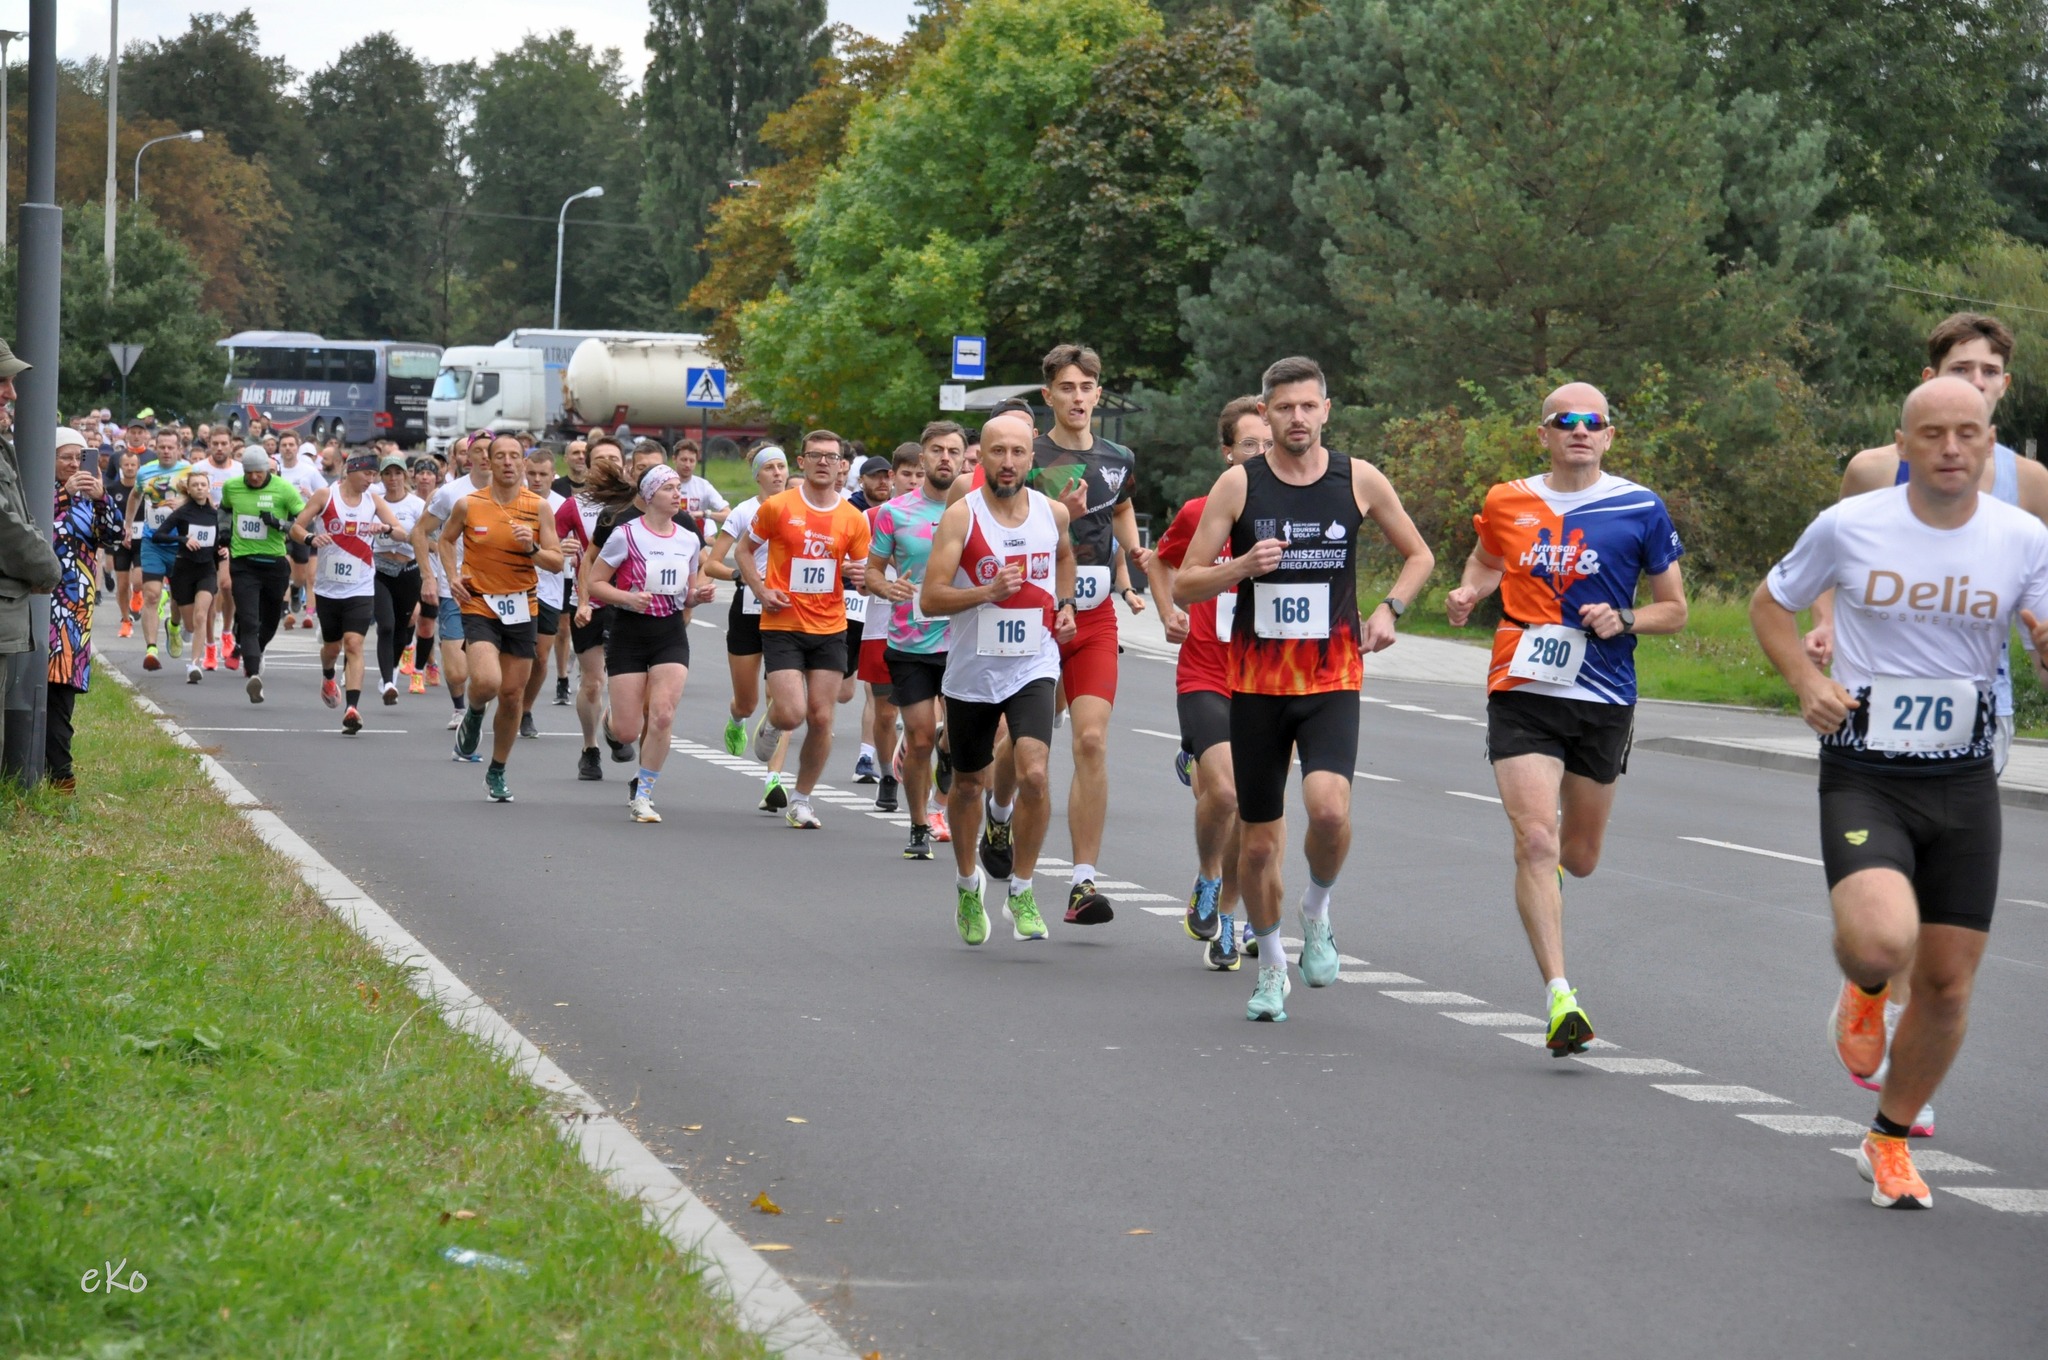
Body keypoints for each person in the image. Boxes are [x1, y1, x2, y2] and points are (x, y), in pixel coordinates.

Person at [1750, 375, 2048, 1209]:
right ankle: (1866, 985)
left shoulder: (2022, 538)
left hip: (1964, 774)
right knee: (1882, 942)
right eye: (1933, 435)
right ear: (1903, 444)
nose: (1951, 448)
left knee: (1950, 984)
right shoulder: (1851, 525)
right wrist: (1805, 679)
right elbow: (1770, 604)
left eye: (1969, 433)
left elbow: (2043, 630)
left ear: (1992, 443)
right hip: (1867, 767)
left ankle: (1887, 1141)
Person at [1175, 356, 1435, 1022]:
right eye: (1283, 407)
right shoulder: (1239, 486)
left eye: (1307, 406)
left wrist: (1390, 610)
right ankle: (1270, 968)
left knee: (1327, 810)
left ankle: (1316, 913)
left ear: (1326, 409)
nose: (1296, 418)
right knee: (1258, 844)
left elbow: (1419, 554)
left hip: (1331, 676)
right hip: (1256, 686)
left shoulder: (1358, 479)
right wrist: (1240, 565)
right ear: (1265, 413)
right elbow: (1185, 582)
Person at [1444, 383, 1688, 1051]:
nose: (1579, 430)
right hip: (1522, 684)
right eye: (1565, 421)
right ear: (1544, 434)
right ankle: (1560, 996)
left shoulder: (1639, 507)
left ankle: (1548, 877)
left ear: (1609, 435)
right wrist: (1471, 590)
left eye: (1593, 422)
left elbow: (1676, 608)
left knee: (1577, 858)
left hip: (1603, 695)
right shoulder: (1506, 500)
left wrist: (1626, 617)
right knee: (1535, 838)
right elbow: (1486, 560)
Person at [922, 410, 1078, 942]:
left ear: (1031, 458)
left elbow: (1064, 557)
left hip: (1034, 662)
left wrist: (1065, 603)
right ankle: (968, 886)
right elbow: (931, 597)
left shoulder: (1052, 512)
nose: (1007, 462)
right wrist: (985, 593)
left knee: (1034, 771)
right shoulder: (961, 517)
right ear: (979, 458)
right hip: (973, 671)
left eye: (1017, 453)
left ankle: (1022, 888)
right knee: (968, 783)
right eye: (996, 452)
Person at [1030, 344, 1156, 925]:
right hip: (1034, 613)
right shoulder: (1028, 453)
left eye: (1087, 388)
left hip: (1095, 614)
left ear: (1098, 394)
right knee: (1022, 755)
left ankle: (1083, 883)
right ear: (1049, 393)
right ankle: (1002, 816)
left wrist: (1133, 554)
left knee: (1091, 741)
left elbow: (1121, 505)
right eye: (1067, 388)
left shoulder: (1117, 455)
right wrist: (1056, 511)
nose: (1077, 398)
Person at [1152, 396, 1270, 969]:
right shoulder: (1203, 511)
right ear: (1228, 453)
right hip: (1206, 669)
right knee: (1223, 793)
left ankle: (1228, 919)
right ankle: (1207, 876)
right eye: (1251, 445)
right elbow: (1160, 561)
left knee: (1254, 810)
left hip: (1269, 678)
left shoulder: (1296, 518)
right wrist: (1167, 611)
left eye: (1269, 445)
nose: (1262, 455)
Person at [736, 430, 870, 828]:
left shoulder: (852, 517)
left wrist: (860, 575)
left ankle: (802, 799)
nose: (824, 462)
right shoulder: (778, 507)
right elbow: (745, 549)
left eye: (832, 456)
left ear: (842, 465)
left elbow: (861, 572)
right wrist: (761, 589)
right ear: (803, 461)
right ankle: (774, 721)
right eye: (816, 455)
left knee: (823, 718)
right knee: (793, 713)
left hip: (830, 625)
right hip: (783, 622)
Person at [437, 433, 565, 802]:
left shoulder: (539, 507)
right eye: (501, 456)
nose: (508, 462)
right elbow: (446, 541)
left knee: (511, 696)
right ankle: (474, 713)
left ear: (524, 464)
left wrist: (533, 547)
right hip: (480, 604)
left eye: (515, 456)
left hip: (522, 607)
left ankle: (497, 770)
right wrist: (452, 575)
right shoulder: (468, 504)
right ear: (487, 463)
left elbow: (556, 562)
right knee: (489, 681)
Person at [586, 462, 713, 822]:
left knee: (662, 715)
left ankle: (644, 793)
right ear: (650, 495)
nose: (678, 494)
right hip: (629, 631)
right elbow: (596, 582)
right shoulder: (626, 535)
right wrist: (627, 598)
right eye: (669, 488)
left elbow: (685, 594)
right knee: (628, 730)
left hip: (669, 632)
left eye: (678, 488)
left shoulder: (688, 538)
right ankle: (612, 719)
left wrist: (697, 597)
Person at [869, 425, 962, 858]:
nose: (945, 458)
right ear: (921, 458)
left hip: (964, 641)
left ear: (965, 460)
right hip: (911, 642)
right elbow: (872, 571)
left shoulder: (977, 512)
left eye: (954, 451)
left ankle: (944, 794)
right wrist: (886, 588)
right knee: (921, 739)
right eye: (937, 450)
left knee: (960, 740)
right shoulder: (895, 512)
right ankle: (919, 824)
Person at [698, 445, 795, 809]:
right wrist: (745, 577)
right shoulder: (744, 512)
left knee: (781, 698)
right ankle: (738, 719)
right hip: (748, 609)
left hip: (787, 612)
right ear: (757, 475)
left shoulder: (800, 508)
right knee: (749, 700)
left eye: (781, 466)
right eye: (768, 468)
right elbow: (712, 565)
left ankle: (774, 781)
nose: (776, 473)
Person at [292, 452, 403, 733]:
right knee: (332, 648)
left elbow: (403, 533)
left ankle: (352, 708)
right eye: (367, 474)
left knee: (354, 644)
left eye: (374, 475)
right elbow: (296, 527)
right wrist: (310, 538)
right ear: (351, 471)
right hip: (329, 588)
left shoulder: (373, 500)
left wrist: (386, 527)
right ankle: (328, 675)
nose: (372, 480)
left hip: (361, 586)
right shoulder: (325, 495)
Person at [45, 429, 122, 793]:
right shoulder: (36, 487)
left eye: (80, 457)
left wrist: (103, 497)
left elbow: (115, 535)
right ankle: (49, 771)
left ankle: (60, 776)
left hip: (74, 614)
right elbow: (32, 528)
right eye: (66, 458)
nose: (75, 464)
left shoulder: (90, 500)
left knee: (62, 695)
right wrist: (64, 494)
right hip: (40, 604)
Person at [559, 436, 628, 780]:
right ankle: (590, 748)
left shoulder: (639, 502)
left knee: (625, 678)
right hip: (588, 601)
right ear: (588, 465)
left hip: (629, 601)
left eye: (614, 459)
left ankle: (615, 725)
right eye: (600, 460)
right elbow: (550, 541)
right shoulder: (575, 504)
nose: (608, 466)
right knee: (592, 682)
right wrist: (561, 546)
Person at [217, 446, 308, 703]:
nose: (255, 478)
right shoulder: (232, 487)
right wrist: (224, 530)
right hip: (243, 563)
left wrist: (279, 524)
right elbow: (223, 509)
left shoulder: (283, 489)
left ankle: (258, 650)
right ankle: (253, 675)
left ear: (268, 470)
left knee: (269, 621)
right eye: (250, 473)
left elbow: (303, 520)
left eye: (259, 473)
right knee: (248, 619)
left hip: (274, 564)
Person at [416, 434, 490, 730]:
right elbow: (420, 532)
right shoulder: (450, 493)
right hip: (456, 589)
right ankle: (460, 709)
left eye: (491, 451)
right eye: (478, 451)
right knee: (458, 672)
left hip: (501, 590)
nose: (485, 457)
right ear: (466, 456)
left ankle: (477, 706)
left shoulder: (514, 492)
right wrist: (428, 577)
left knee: (489, 671)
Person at [150, 466, 226, 683]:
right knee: (191, 624)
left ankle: (194, 664)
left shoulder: (215, 515)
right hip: (184, 569)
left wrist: (223, 548)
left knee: (202, 615)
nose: (200, 488)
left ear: (209, 487)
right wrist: (183, 539)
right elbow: (158, 535)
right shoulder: (182, 513)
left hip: (206, 570)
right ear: (189, 490)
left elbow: (220, 540)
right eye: (195, 485)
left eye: (203, 485)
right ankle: (174, 625)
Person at [126, 431, 190, 669]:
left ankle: (173, 626)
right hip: (153, 541)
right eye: (161, 446)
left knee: (180, 598)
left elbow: (203, 500)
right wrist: (128, 525)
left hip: (180, 543)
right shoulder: (145, 472)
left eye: (170, 447)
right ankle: (151, 649)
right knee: (150, 594)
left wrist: (184, 502)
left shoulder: (189, 471)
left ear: (178, 449)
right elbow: (135, 496)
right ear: (156, 447)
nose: (165, 451)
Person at [518, 447, 570, 738]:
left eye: (543, 474)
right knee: (510, 654)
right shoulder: (515, 500)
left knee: (540, 656)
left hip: (549, 589)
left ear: (553, 475)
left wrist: (570, 550)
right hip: (512, 586)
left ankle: (525, 709)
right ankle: (508, 700)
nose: (537, 479)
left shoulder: (564, 506)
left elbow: (579, 549)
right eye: (533, 473)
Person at [370, 455, 427, 705]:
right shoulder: (374, 504)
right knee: (386, 624)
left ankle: (391, 670)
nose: (393, 479)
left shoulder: (416, 505)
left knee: (403, 629)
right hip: (379, 570)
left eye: (397, 473)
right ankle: (388, 681)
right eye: (387, 474)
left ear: (406, 476)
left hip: (408, 570)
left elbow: (425, 539)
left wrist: (399, 534)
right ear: (381, 477)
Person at [276, 428, 326, 628]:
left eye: (291, 445)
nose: (288, 449)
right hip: (281, 524)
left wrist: (310, 493)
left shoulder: (309, 471)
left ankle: (296, 590)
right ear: (279, 449)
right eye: (284, 445)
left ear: (297, 448)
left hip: (305, 522)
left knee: (302, 575)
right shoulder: (276, 470)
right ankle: (286, 608)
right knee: (284, 566)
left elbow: (325, 495)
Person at [407, 457, 444, 693]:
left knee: (427, 626)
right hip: (407, 567)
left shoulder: (444, 500)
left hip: (434, 569)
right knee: (413, 616)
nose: (424, 476)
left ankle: (423, 667)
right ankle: (411, 655)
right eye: (420, 472)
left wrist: (435, 546)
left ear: (437, 477)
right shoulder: (407, 501)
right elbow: (409, 533)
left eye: (429, 473)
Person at [108, 448, 142, 638]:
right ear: (120, 467)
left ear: (138, 467)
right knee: (122, 584)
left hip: (141, 539)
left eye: (133, 465)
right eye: (126, 465)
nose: (129, 468)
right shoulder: (113, 489)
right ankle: (126, 620)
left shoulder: (143, 489)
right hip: (121, 541)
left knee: (138, 580)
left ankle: (137, 594)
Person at [672, 439, 731, 531]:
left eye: (692, 461)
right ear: (674, 459)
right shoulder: (664, 483)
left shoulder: (703, 486)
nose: (687, 464)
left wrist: (704, 514)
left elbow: (728, 515)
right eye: (684, 460)